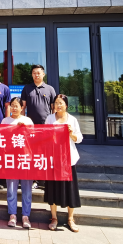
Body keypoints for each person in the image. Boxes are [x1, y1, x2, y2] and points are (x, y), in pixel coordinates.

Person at [44, 94, 83, 233]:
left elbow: (79, 138)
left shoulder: (72, 119)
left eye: (61, 103)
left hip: (68, 159)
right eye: (56, 103)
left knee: (70, 189)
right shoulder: (50, 118)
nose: (58, 105)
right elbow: (44, 135)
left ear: (66, 105)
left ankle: (70, 219)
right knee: (53, 189)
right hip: (54, 159)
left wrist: (71, 134)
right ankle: (54, 218)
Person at [2, 97, 34, 228]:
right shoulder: (5, 121)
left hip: (25, 158)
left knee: (27, 189)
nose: (14, 108)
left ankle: (26, 216)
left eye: (17, 106)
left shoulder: (27, 120)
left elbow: (35, 138)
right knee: (11, 188)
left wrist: (25, 129)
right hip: (11, 158)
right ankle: (12, 215)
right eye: (12, 105)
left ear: (22, 108)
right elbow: (1, 138)